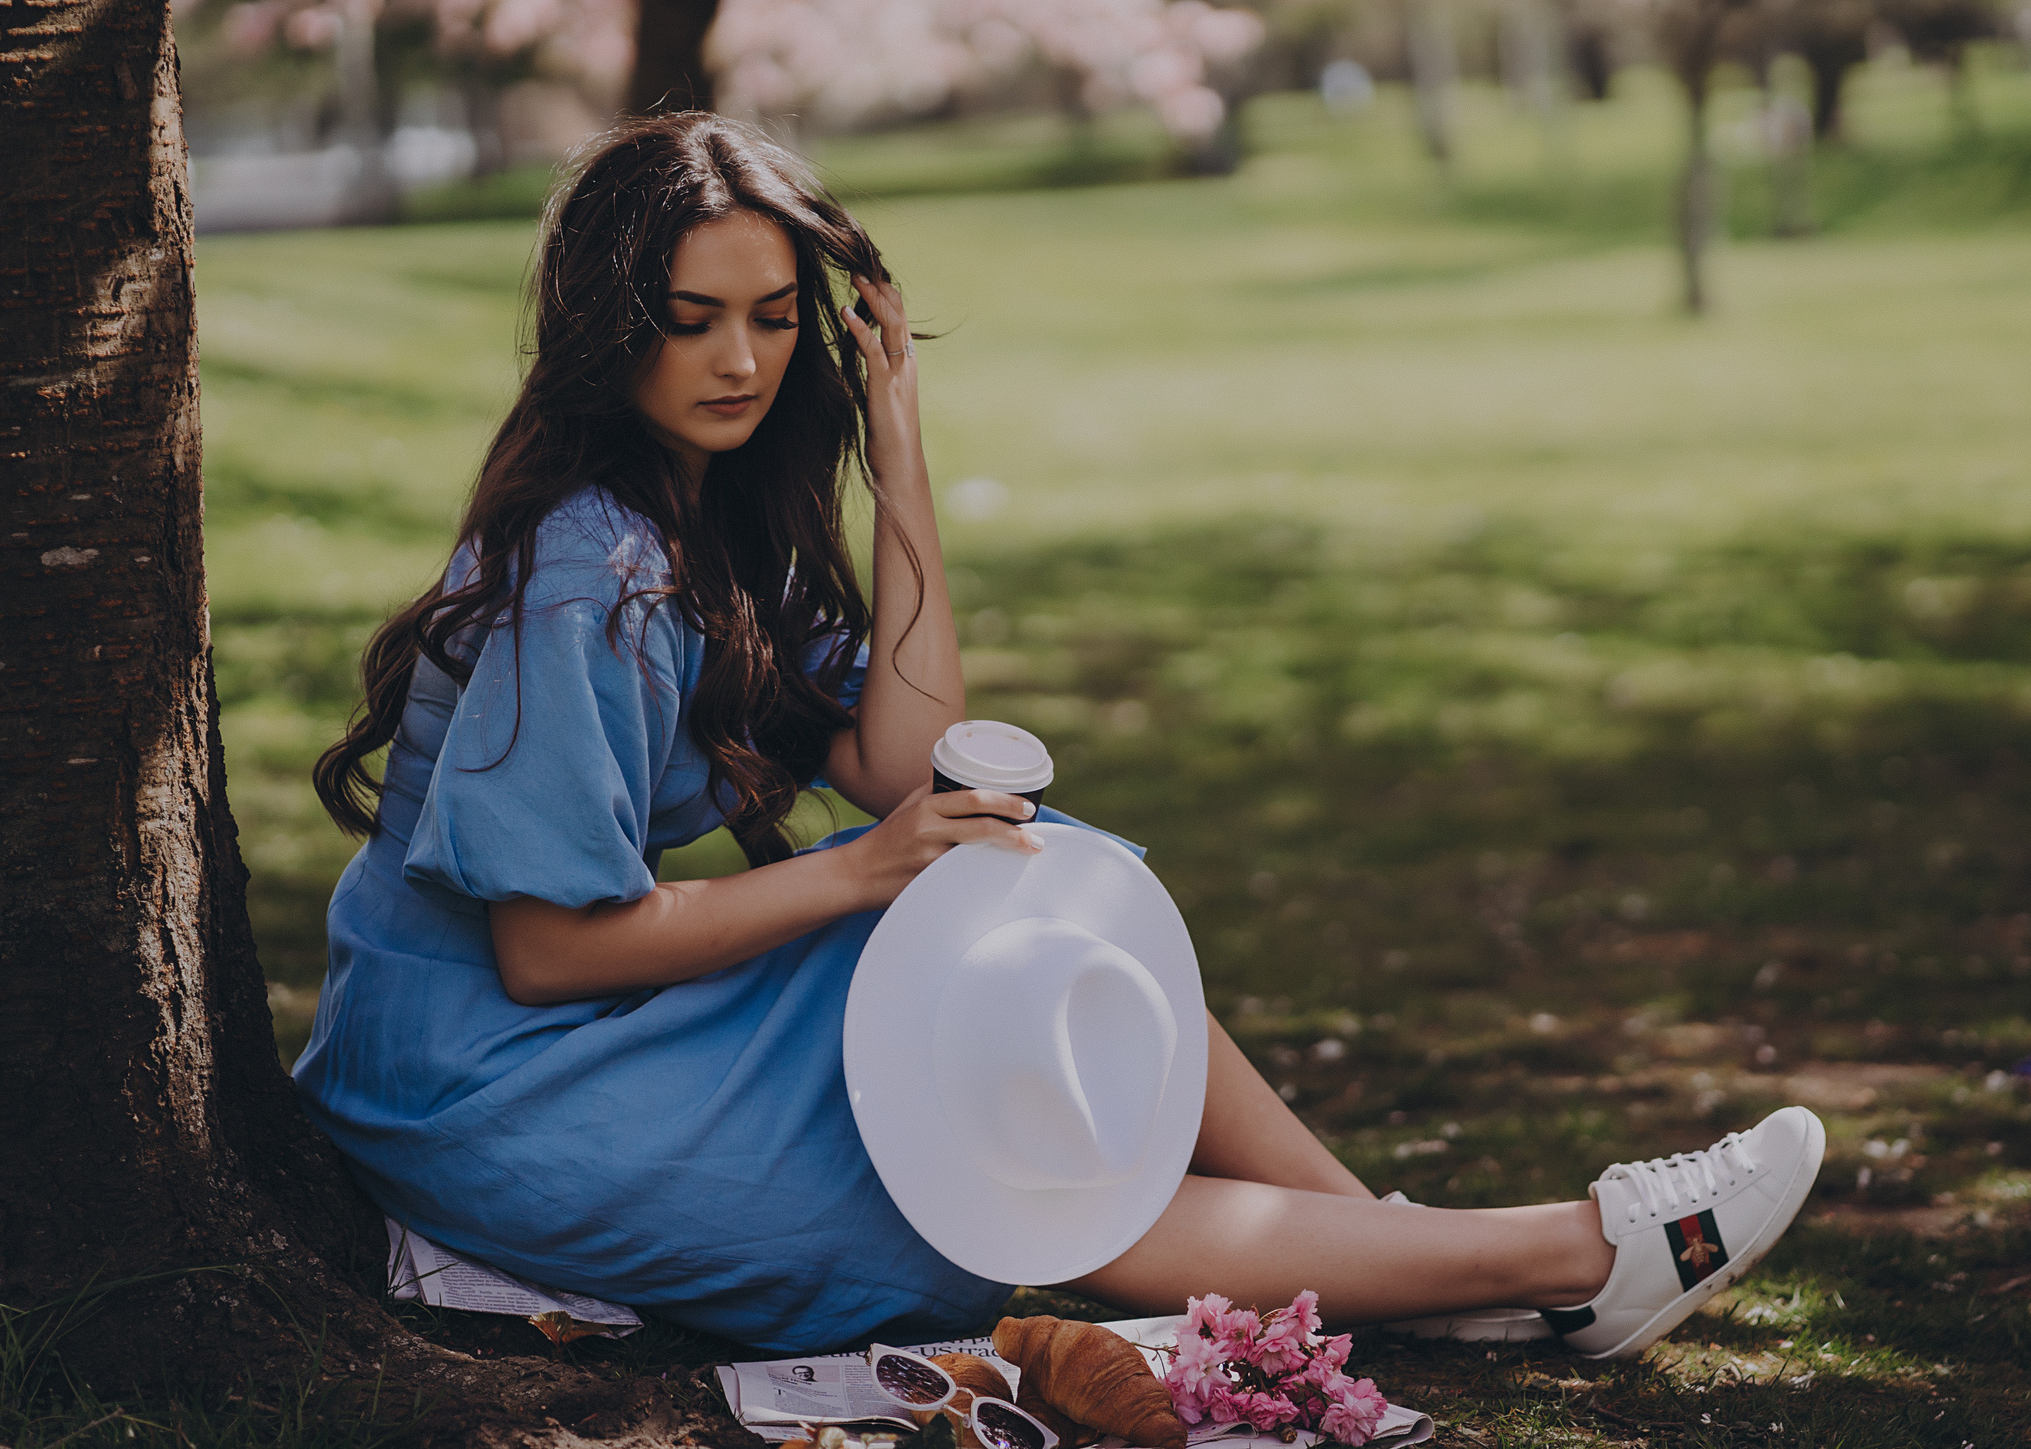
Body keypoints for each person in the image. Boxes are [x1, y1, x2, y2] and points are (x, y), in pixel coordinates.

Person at [296, 113, 1825, 1362]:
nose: (743, 365)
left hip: (584, 1037)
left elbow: (904, 765)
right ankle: (1571, 1250)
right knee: (973, 1110)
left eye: (773, 321)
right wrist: (856, 878)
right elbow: (547, 952)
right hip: (490, 1086)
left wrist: (900, 467)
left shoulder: (708, 523)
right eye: (692, 324)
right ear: (610, 330)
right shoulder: (592, 568)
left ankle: (1440, 1270)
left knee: (1023, 895)